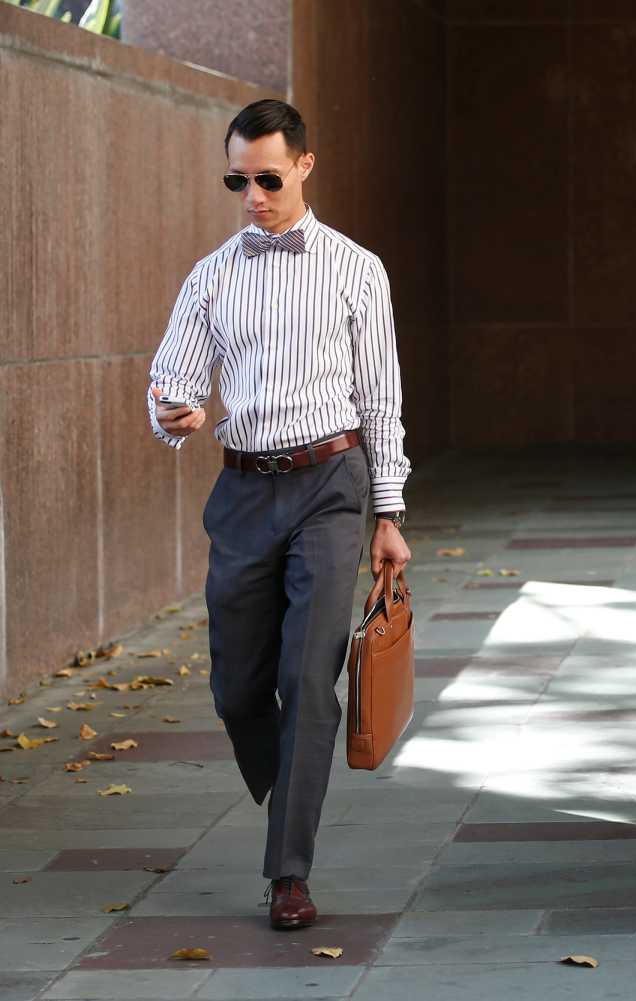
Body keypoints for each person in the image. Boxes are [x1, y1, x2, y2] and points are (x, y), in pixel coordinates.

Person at [146, 99, 412, 930]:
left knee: (308, 679)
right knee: (236, 688)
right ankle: (292, 783)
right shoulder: (212, 274)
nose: (253, 195)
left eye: (267, 177)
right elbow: (170, 381)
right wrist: (175, 412)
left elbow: (381, 398)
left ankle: (288, 872)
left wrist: (390, 511)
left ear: (304, 165)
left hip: (332, 484)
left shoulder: (356, 268)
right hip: (243, 492)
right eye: (238, 179)